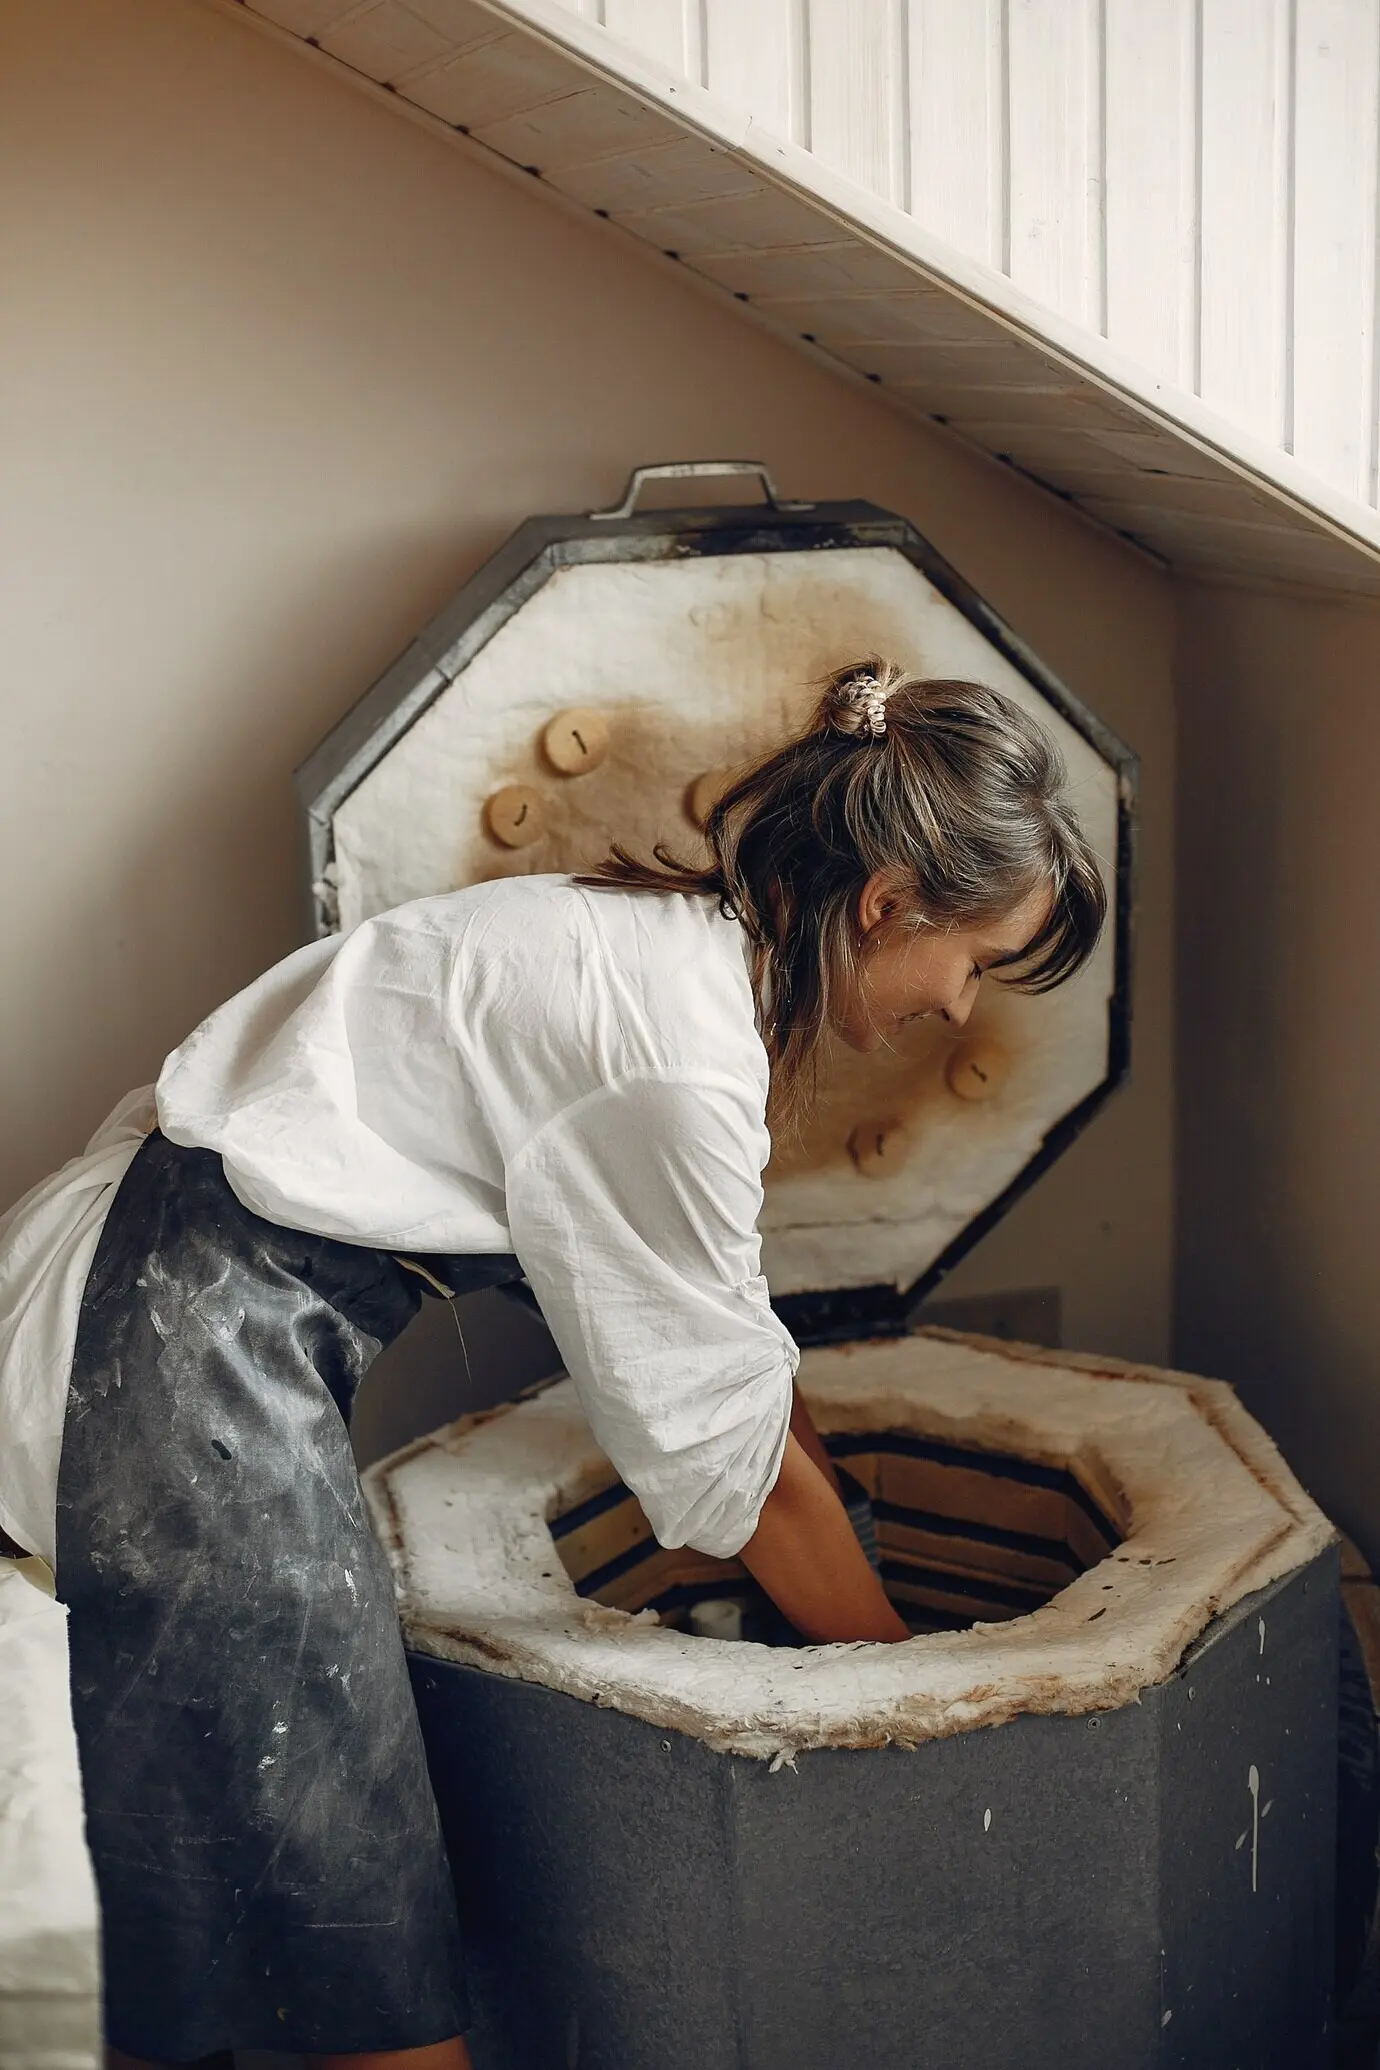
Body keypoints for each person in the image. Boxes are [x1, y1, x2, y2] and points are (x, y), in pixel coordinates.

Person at [0, 659, 1106, 2068]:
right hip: (164, 1360)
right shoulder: (671, 1060)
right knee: (351, 1902)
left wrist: (845, 1552)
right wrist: (922, 1712)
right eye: (978, 962)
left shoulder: (653, 937)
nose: (960, 1007)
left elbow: (737, 1360)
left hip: (140, 1294)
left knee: (233, 1876)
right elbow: (741, 1479)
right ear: (889, 904)